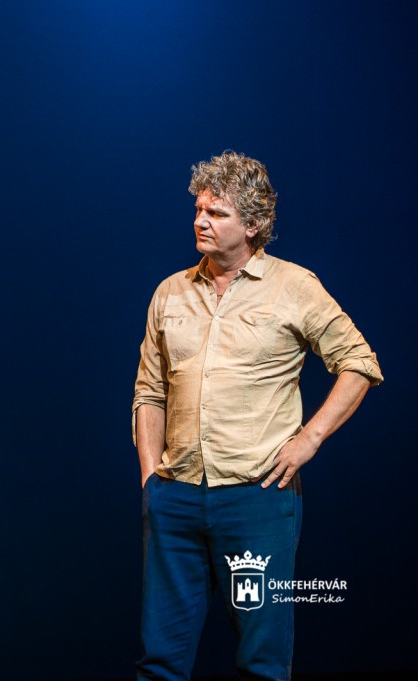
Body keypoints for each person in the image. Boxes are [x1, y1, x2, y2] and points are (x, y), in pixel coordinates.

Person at [132, 152, 382, 680]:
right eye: (198, 210)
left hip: (257, 498)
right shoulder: (170, 291)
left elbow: (359, 364)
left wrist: (309, 439)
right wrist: (151, 479)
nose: (201, 221)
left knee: (262, 661)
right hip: (175, 496)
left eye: (216, 213)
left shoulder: (294, 286)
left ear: (252, 223)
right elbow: (149, 392)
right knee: (160, 662)